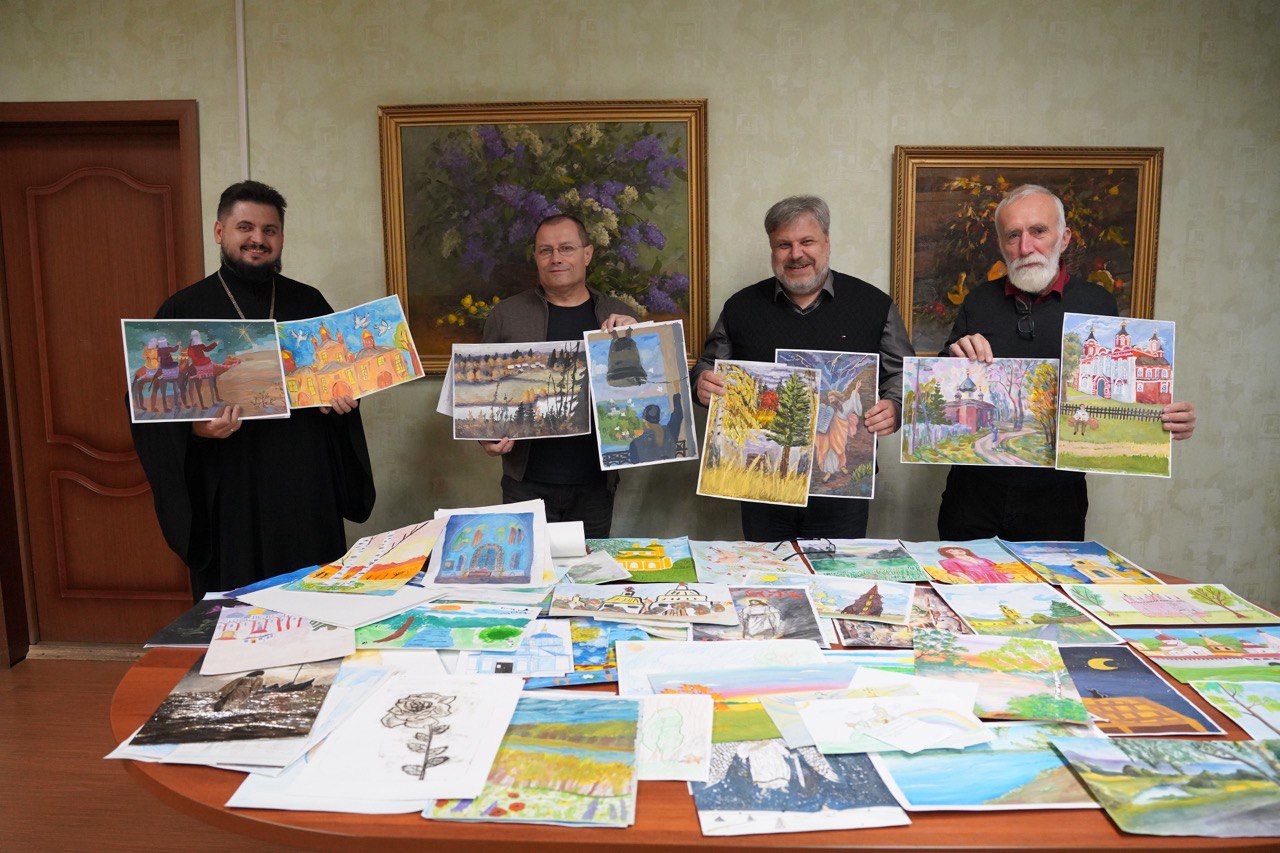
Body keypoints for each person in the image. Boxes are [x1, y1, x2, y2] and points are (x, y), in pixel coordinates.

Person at [131, 180, 375, 600]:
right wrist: (196, 431)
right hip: (230, 490)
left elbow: (342, 383)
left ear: (281, 237)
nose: (258, 239)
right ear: (219, 231)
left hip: (305, 483)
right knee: (237, 608)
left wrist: (341, 402)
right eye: (245, 227)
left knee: (312, 603)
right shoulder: (183, 310)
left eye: (269, 230)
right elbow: (147, 406)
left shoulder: (309, 302)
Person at [941, 184, 1196, 540]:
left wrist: (1164, 419)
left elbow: (1119, 386)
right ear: (1001, 245)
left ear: (1064, 238)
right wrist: (955, 354)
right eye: (1013, 235)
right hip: (972, 495)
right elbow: (941, 385)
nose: (1025, 247)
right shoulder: (978, 301)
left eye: (1038, 231)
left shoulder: (1097, 304)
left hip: (1057, 499)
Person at [691, 195, 912, 540]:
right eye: (784, 245)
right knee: (767, 572)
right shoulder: (740, 307)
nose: (796, 254)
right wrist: (701, 382)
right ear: (772, 249)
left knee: (835, 574)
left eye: (807, 241)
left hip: (842, 493)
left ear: (827, 243)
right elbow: (709, 363)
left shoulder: (874, 304)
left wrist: (896, 406)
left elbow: (903, 373)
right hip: (762, 487)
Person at [478, 213, 637, 536]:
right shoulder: (506, 316)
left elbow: (645, 391)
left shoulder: (619, 315)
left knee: (589, 568)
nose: (556, 258)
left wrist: (641, 338)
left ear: (587, 254)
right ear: (536, 257)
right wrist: (484, 435)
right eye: (545, 250)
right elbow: (483, 391)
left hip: (595, 485)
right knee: (529, 567)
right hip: (525, 483)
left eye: (566, 248)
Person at [628, 394, 684, 464]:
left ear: (645, 422)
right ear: (658, 419)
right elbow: (678, 416)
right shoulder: (670, 432)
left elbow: (634, 464)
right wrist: (676, 398)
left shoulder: (635, 444)